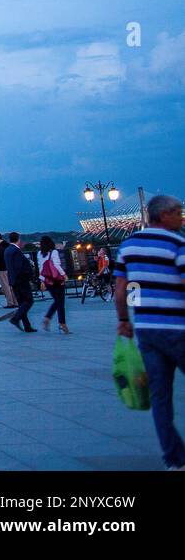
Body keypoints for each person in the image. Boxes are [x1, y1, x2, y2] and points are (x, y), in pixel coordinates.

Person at [114, 194, 185, 470]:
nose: (181, 217)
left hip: (147, 329)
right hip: (178, 328)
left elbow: (121, 290)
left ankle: (174, 459)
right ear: (162, 215)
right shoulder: (177, 243)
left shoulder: (128, 246)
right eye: (177, 212)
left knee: (160, 396)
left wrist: (123, 320)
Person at [4, 231, 36, 332]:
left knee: (22, 302)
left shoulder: (7, 250)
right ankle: (16, 318)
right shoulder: (16, 251)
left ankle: (27, 325)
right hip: (21, 280)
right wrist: (29, 276)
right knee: (28, 300)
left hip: (13, 280)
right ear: (18, 239)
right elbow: (19, 267)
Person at [38, 235, 69, 333]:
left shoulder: (39, 253)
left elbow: (41, 268)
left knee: (57, 301)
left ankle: (48, 318)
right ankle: (62, 323)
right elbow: (56, 265)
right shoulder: (54, 252)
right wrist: (64, 275)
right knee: (60, 302)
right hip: (57, 280)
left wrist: (42, 281)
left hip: (48, 281)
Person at [0, 232, 17, 308]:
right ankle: (16, 301)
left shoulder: (0, 247)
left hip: (2, 268)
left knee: (6, 286)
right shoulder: (8, 245)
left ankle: (10, 303)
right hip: (9, 268)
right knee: (11, 285)